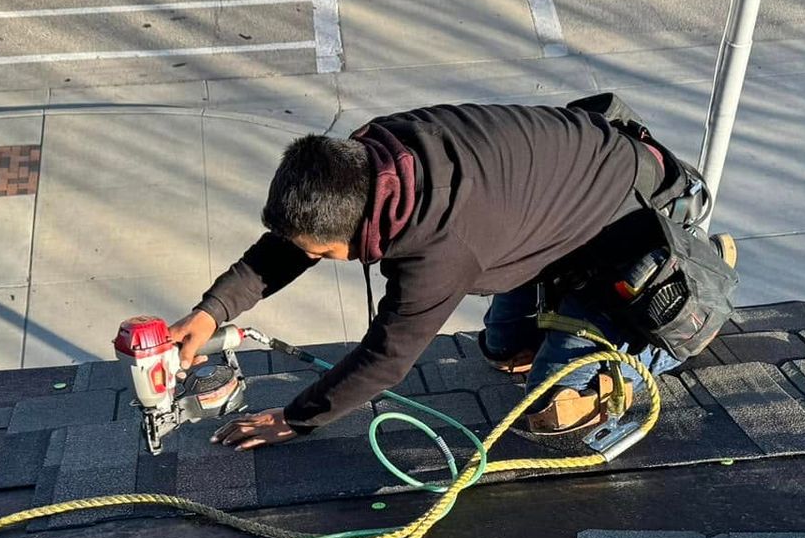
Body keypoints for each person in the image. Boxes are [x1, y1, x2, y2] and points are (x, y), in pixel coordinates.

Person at [169, 101, 712, 450]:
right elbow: (299, 241)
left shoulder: (443, 246)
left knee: (548, 404)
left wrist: (296, 418)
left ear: (358, 226)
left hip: (639, 218)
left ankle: (684, 320)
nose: (321, 258)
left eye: (326, 253)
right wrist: (211, 310)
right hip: (554, 208)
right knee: (502, 352)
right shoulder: (371, 156)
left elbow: (386, 360)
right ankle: (562, 307)